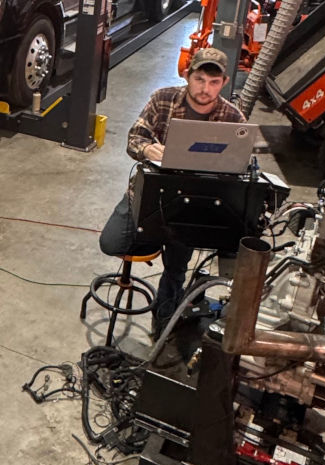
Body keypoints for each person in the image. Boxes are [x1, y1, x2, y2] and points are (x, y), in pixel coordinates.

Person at [98, 47, 246, 342]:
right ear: (188, 75)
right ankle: (164, 237)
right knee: (111, 242)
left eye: (213, 83)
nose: (205, 89)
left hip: (193, 206)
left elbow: (240, 168)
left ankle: (164, 322)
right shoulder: (162, 98)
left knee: (177, 267)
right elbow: (134, 138)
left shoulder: (233, 117)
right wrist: (148, 149)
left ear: (224, 82)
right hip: (148, 195)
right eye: (200, 79)